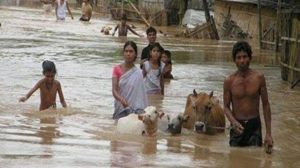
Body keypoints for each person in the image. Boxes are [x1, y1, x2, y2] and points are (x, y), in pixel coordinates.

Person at [223, 41, 273, 152]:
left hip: (254, 126)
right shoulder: (229, 81)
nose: (242, 61)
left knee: (254, 159)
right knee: (234, 159)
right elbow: (226, 107)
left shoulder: (259, 78)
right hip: (237, 126)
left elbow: (266, 105)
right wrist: (233, 122)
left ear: (250, 58)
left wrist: (268, 134)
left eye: (245, 57)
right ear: (234, 60)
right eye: (238, 57)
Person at [112, 41, 148, 120]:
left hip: (135, 110)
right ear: (123, 53)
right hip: (120, 108)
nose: (128, 54)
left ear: (135, 54)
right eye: (126, 51)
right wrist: (122, 100)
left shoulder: (138, 73)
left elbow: (141, 96)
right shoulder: (117, 69)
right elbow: (114, 91)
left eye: (131, 51)